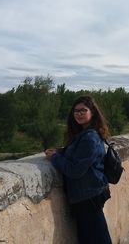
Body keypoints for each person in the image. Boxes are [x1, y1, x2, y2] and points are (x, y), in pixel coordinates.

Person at [45, 95, 112, 244]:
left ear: (92, 112)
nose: (79, 113)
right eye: (76, 111)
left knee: (99, 239)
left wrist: (55, 158)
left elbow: (75, 170)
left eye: (83, 110)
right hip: (87, 194)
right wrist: (59, 152)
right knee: (89, 238)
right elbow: (76, 152)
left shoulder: (90, 137)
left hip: (89, 196)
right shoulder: (84, 134)